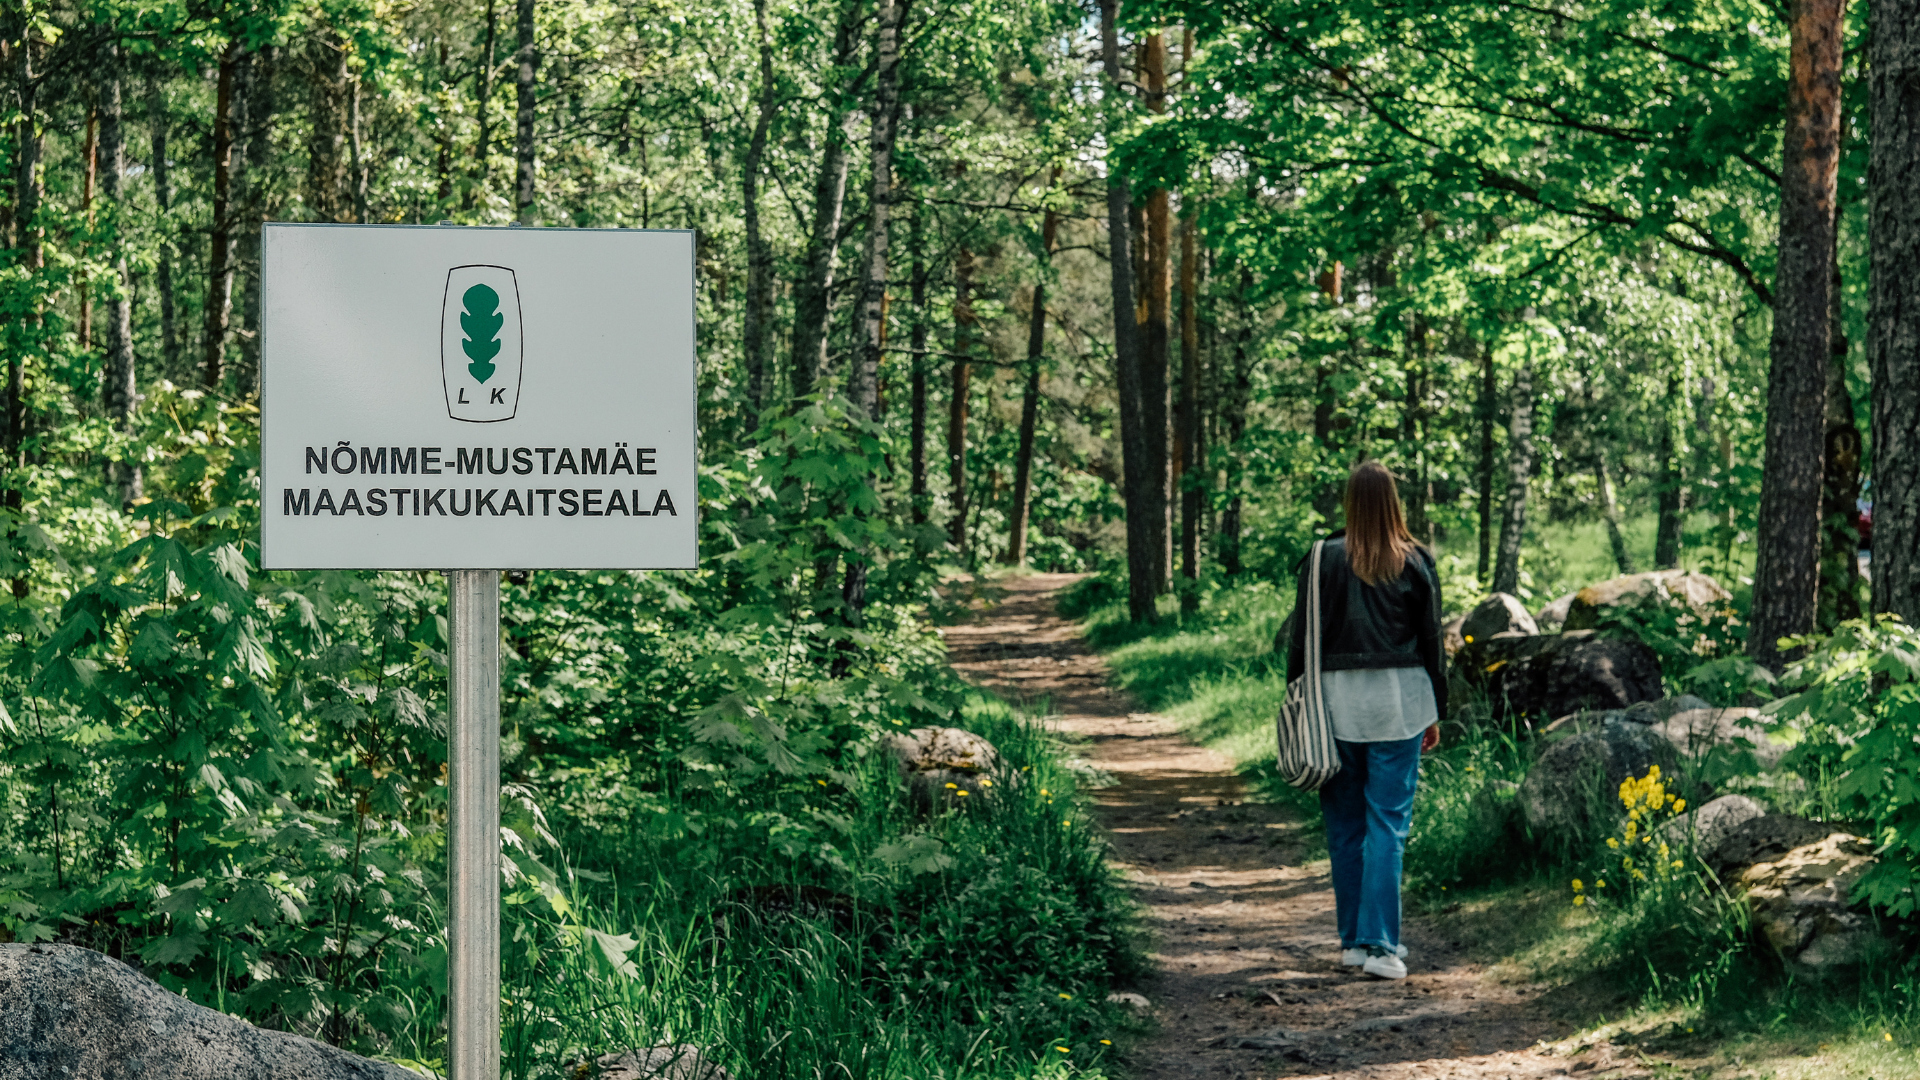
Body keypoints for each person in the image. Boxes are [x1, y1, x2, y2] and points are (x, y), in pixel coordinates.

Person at [1287, 461, 1445, 981]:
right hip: (1401, 704)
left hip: (1335, 707)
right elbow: (1432, 641)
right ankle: (1380, 944)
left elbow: (1301, 640)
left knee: (1344, 825)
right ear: (1394, 501)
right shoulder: (1415, 559)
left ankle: (1354, 941)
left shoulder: (1321, 558)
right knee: (1387, 824)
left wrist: (1296, 703)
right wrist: (1437, 709)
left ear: (1349, 502)